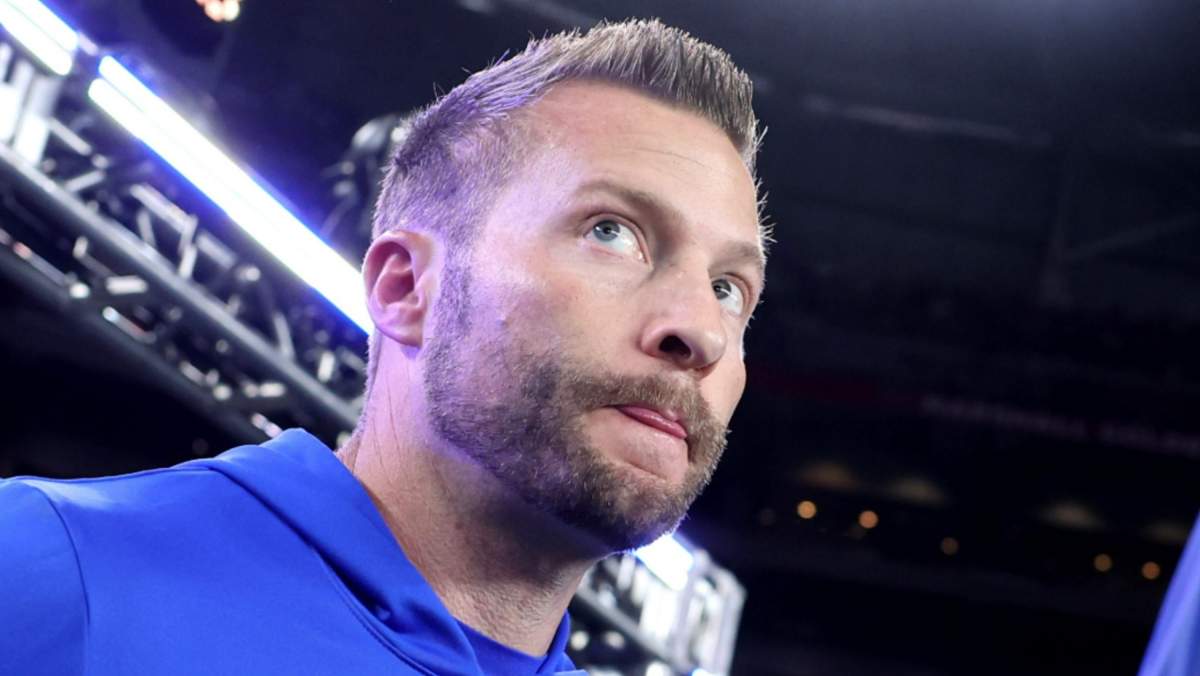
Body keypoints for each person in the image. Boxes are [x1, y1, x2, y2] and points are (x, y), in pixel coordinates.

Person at [0, 18, 767, 675]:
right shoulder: (55, 572)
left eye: (729, 288)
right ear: (405, 288)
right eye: (612, 232)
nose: (701, 330)